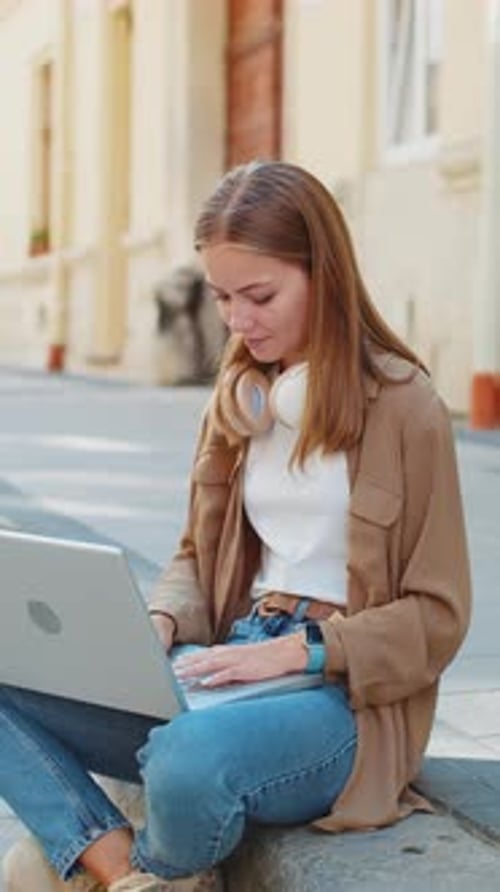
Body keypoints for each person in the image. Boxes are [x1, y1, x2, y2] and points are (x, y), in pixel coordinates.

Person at [0, 161, 471, 892]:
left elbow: (439, 619)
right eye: (222, 297)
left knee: (188, 760)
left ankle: (119, 862)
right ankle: (120, 868)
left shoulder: (406, 408)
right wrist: (159, 619)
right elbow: (194, 553)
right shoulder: (242, 397)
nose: (238, 322)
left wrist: (300, 653)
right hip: (226, 663)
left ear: (326, 276)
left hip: (340, 699)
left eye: (260, 296)